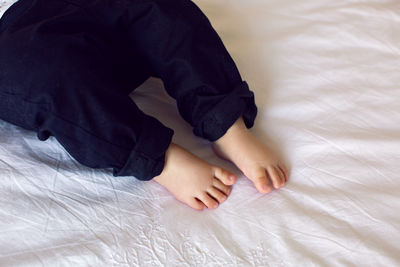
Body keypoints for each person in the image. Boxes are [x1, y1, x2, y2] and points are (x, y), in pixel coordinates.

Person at [0, 0, 289, 210]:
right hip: (13, 40)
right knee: (40, 72)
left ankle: (223, 120)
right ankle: (160, 159)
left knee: (162, 9)